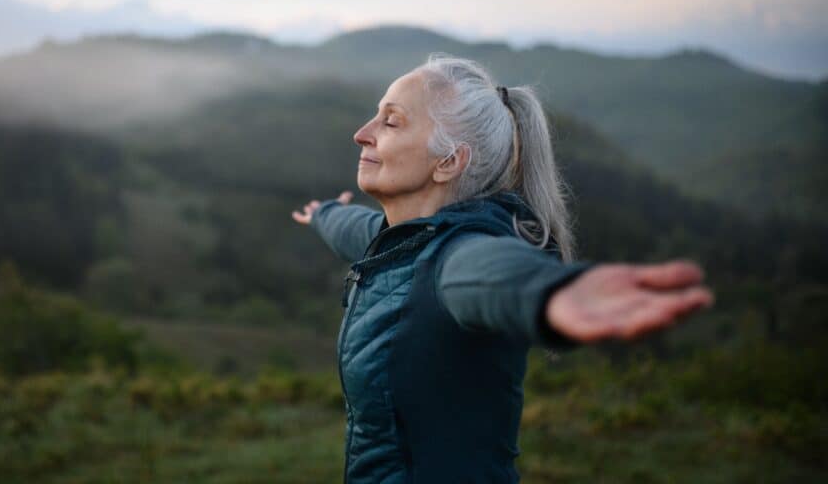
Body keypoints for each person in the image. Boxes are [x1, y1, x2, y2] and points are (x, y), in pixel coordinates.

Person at [291, 54, 714, 483]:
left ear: (449, 162)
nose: (362, 134)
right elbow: (360, 230)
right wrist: (324, 215)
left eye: (392, 122)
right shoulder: (403, 241)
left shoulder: (455, 257)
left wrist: (551, 292)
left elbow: (491, 273)